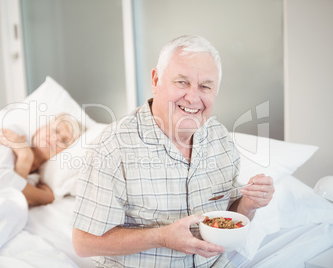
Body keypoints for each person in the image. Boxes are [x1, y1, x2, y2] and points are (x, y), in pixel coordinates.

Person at [72, 35, 275, 267]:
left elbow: (229, 216)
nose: (193, 97)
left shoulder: (220, 139)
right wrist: (162, 237)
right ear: (156, 80)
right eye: (182, 82)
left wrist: (248, 204)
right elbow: (84, 243)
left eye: (205, 86)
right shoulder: (113, 147)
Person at [0, 113, 82, 206]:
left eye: (64, 141)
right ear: (40, 129)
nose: (55, 138)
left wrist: (25, 158)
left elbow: (8, 202)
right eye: (55, 130)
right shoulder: (12, 133)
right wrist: (43, 197)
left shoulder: (36, 179)